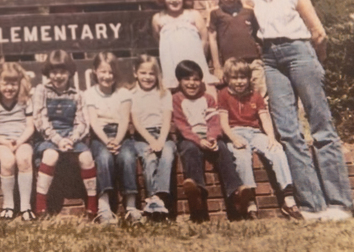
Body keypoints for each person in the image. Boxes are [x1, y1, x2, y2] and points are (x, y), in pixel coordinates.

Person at [248, 0, 354, 221]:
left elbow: (319, 33)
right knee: (288, 131)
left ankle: (340, 204)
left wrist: (317, 62)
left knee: (320, 125)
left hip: (300, 52)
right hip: (271, 58)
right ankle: (312, 205)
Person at [218, 58, 301, 220]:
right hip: (236, 132)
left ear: (249, 78)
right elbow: (223, 122)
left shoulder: (255, 96)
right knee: (241, 156)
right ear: (228, 79)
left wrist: (271, 137)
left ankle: (288, 198)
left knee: (276, 150)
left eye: (243, 77)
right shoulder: (223, 95)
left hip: (254, 132)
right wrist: (233, 138)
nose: (240, 82)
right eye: (235, 78)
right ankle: (249, 202)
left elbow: (265, 119)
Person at [172, 60, 248, 222]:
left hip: (209, 136)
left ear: (201, 81)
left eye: (196, 79)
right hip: (189, 138)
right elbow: (182, 126)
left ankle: (235, 193)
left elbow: (214, 121)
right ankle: (197, 193)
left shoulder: (208, 98)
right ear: (179, 81)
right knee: (190, 150)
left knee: (223, 149)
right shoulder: (177, 99)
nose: (192, 83)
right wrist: (199, 140)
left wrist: (212, 138)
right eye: (187, 79)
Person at [32, 50, 97, 219]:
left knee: (86, 158)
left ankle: (92, 206)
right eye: (54, 72)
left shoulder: (77, 95)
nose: (58, 76)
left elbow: (83, 123)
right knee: (51, 155)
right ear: (48, 73)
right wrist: (58, 140)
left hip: (71, 137)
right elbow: (40, 119)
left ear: (70, 72)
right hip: (49, 137)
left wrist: (72, 139)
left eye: (62, 72)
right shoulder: (41, 91)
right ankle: (40, 207)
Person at [121, 55, 176, 222]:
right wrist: (151, 141)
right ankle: (152, 199)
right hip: (142, 137)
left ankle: (158, 198)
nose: (147, 77)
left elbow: (166, 120)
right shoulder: (132, 94)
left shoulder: (164, 93)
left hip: (162, 134)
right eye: (143, 72)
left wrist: (160, 140)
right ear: (135, 73)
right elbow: (136, 122)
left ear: (157, 74)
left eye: (151, 73)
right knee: (149, 156)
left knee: (167, 154)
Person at [84, 53, 136, 225]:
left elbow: (124, 120)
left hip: (121, 135)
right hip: (101, 136)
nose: (107, 76)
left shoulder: (124, 93)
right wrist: (107, 142)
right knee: (104, 157)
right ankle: (104, 206)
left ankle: (131, 207)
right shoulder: (89, 94)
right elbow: (93, 122)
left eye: (111, 72)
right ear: (94, 72)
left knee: (127, 157)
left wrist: (117, 140)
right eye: (103, 72)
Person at [151, 0, 217, 92]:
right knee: (176, 95)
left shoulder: (193, 15)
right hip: (171, 62)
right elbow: (158, 41)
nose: (174, 0)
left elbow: (204, 40)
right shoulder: (158, 18)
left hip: (194, 60)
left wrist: (199, 60)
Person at [0, 63, 36, 221]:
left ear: (19, 84)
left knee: (24, 158)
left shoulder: (25, 100)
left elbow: (30, 127)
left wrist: (19, 141)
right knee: (8, 160)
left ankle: (25, 207)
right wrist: (5, 142)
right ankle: (8, 205)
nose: (9, 88)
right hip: (0, 143)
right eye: (5, 83)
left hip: (22, 140)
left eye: (13, 83)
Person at [208, 0, 265, 96]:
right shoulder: (216, 13)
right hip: (231, 62)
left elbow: (257, 34)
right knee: (236, 95)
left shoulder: (249, 11)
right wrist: (217, 66)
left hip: (252, 61)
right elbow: (212, 39)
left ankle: (263, 114)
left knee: (260, 92)